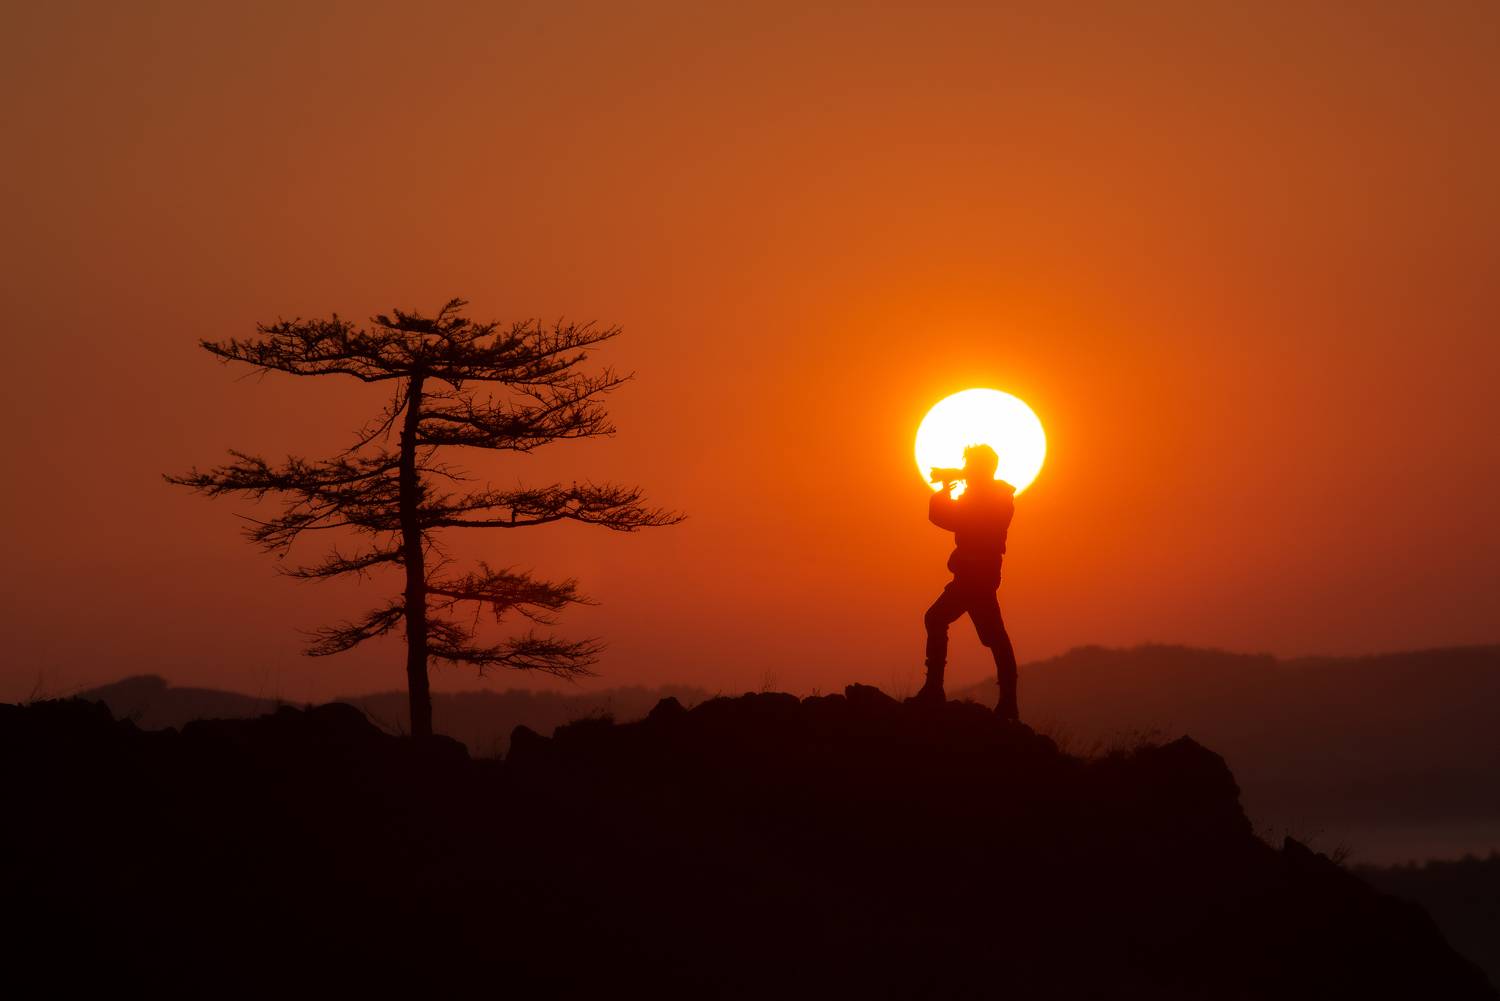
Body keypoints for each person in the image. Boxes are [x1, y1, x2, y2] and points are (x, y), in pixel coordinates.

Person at [915, 443, 1020, 720]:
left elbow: (953, 518)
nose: (968, 471)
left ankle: (936, 689)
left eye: (972, 466)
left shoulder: (994, 497)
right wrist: (950, 485)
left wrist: (947, 488)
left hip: (977, 577)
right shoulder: (985, 493)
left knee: (947, 622)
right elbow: (946, 517)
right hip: (973, 576)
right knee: (992, 637)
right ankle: (1007, 701)